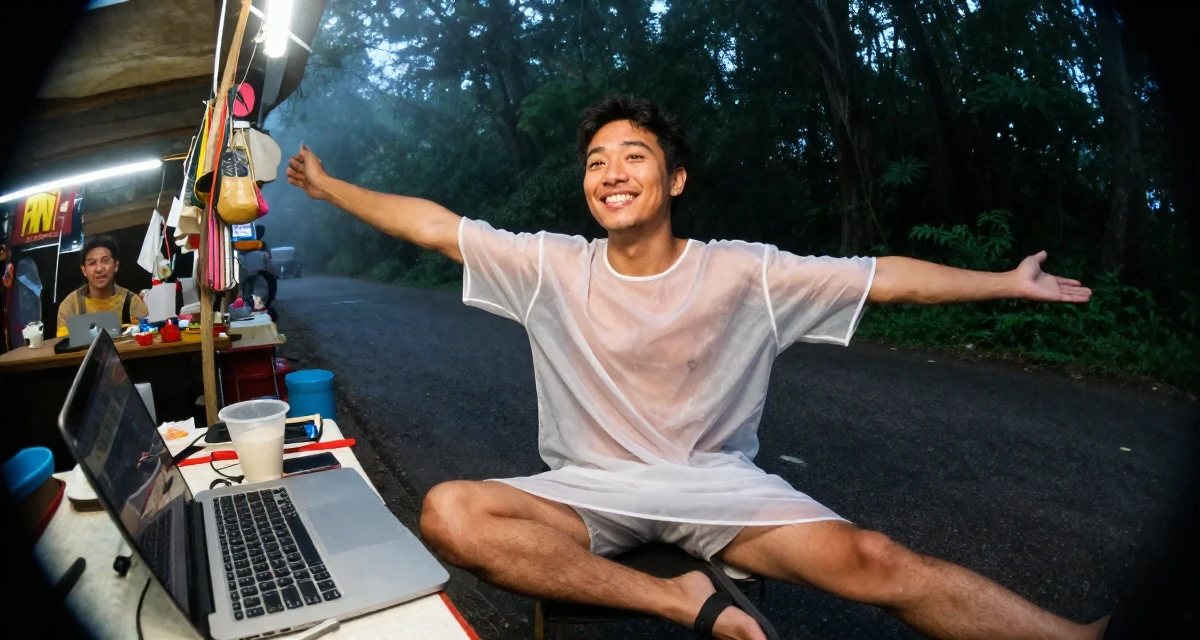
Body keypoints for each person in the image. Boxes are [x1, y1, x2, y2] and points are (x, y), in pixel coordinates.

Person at [287, 96, 1108, 640]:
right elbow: (435, 227)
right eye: (597, 160)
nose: (611, 171)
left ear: (674, 178)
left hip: (718, 486)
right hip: (591, 489)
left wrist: (1006, 280)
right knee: (450, 515)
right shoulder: (549, 265)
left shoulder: (744, 272)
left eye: (634, 156)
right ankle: (679, 599)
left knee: (878, 561)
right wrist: (327, 188)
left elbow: (884, 276)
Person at [56, 234, 148, 337]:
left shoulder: (132, 302)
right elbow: (63, 345)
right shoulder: (70, 305)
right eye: (92, 263)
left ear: (116, 266)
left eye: (105, 261)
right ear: (84, 270)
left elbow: (148, 336)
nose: (99, 269)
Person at [239, 225, 277, 308]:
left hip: (248, 272)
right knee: (271, 280)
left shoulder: (244, 244)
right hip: (261, 272)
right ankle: (269, 299)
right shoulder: (262, 246)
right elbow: (268, 261)